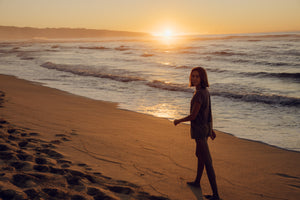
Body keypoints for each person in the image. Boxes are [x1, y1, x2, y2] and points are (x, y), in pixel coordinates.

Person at [174, 67, 220, 200]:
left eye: (197, 76)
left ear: (202, 78)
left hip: (200, 131)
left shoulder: (199, 94)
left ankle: (216, 195)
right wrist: (211, 129)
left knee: (208, 162)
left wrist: (179, 120)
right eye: (192, 76)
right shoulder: (204, 91)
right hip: (205, 129)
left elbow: (193, 116)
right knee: (199, 155)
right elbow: (209, 112)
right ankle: (197, 181)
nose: (193, 78)